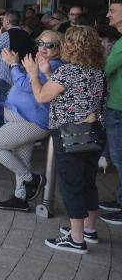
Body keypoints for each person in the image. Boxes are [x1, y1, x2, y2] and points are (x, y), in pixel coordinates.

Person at [25, 26, 106, 253]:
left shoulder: (68, 71)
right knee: (88, 182)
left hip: (70, 135)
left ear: (71, 46)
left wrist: (34, 74)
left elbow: (42, 96)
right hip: (94, 134)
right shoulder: (96, 71)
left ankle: (76, 238)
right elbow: (70, 92)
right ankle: (89, 228)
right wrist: (48, 72)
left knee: (72, 185)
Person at [0, 30, 63, 212]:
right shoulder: (42, 62)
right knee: (22, 158)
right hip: (22, 120)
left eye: (50, 45)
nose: (43, 48)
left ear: (59, 48)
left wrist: (14, 65)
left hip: (32, 121)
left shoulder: (54, 65)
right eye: (41, 43)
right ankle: (20, 197)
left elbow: (26, 85)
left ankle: (31, 179)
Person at [0, 10, 33, 131]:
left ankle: (1, 135)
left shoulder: (7, 35)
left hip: (5, 75)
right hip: (21, 76)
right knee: (15, 107)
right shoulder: (26, 35)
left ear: (7, 21)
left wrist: (0, 36)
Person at [102, 1, 122, 225]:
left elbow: (104, 69)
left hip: (119, 107)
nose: (108, 14)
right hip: (117, 105)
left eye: (113, 11)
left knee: (119, 158)